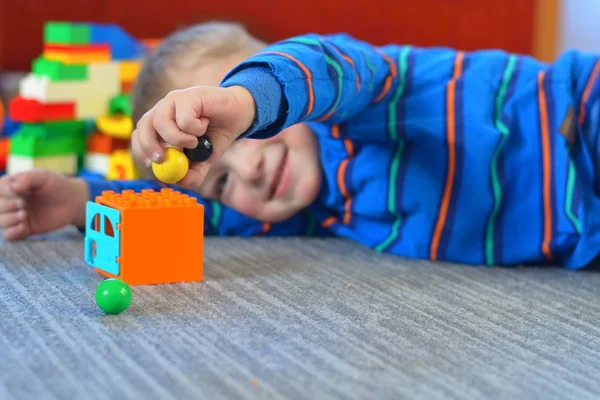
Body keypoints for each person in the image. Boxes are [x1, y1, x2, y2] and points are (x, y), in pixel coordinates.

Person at [0, 21, 599, 269]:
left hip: (577, 119)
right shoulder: (313, 211)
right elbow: (188, 212)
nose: (250, 169)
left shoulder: (361, 99)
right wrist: (82, 201)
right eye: (224, 176)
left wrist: (244, 105)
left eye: (246, 134)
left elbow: (324, 67)